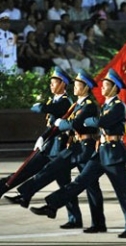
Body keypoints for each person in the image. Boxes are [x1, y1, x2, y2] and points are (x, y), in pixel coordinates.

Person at [30, 68, 126, 238]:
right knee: (81, 181)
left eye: (105, 86)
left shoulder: (119, 106)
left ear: (113, 88)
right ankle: (53, 205)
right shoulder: (106, 106)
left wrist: (91, 121)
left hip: (113, 153)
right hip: (101, 150)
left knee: (123, 191)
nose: (102, 89)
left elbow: (102, 122)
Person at [5, 69, 106, 232]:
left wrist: (63, 124)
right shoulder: (76, 105)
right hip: (76, 146)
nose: (74, 88)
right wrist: (45, 136)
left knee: (91, 186)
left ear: (85, 88)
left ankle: (97, 223)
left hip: (86, 148)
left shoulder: (88, 106)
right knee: (53, 170)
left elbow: (76, 124)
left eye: (78, 85)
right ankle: (27, 195)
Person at [0, 67, 72, 203]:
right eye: (50, 83)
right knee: (27, 170)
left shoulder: (64, 102)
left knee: (64, 184)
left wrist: (40, 107)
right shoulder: (54, 100)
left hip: (58, 148)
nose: (51, 85)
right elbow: (40, 110)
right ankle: (7, 189)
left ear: (62, 84)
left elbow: (42, 108)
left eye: (54, 82)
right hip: (49, 146)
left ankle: (74, 218)